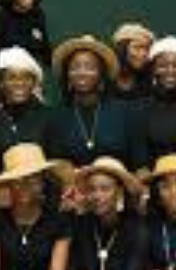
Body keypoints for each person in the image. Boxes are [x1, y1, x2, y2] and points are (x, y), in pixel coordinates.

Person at [47, 35, 145, 170]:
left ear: (102, 74)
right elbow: (54, 166)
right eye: (75, 67)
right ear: (67, 75)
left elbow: (141, 166)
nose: (82, 73)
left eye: (90, 67)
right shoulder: (56, 117)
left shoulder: (126, 113)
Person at [0, 46, 50, 204]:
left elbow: (56, 165)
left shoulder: (49, 116)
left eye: (26, 78)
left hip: (42, 202)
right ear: (1, 82)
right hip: (4, 202)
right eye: (11, 77)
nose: (19, 83)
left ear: (34, 82)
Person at [137, 36, 176, 169]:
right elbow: (139, 157)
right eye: (162, 65)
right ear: (153, 69)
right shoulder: (141, 107)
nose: (170, 71)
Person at [111, 22, 154, 101]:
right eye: (137, 47)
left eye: (147, 49)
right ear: (122, 49)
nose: (144, 54)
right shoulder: (106, 79)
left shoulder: (151, 81)